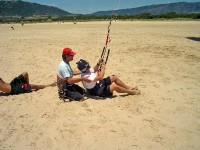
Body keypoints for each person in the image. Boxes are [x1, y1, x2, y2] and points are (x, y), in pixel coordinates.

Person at [76, 59, 141, 97]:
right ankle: (130, 92)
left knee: (114, 77)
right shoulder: (85, 77)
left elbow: (94, 69)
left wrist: (98, 63)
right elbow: (100, 77)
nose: (89, 66)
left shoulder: (87, 70)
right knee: (114, 86)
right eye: (88, 66)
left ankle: (129, 87)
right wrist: (103, 68)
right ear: (85, 69)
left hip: (98, 83)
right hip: (96, 90)